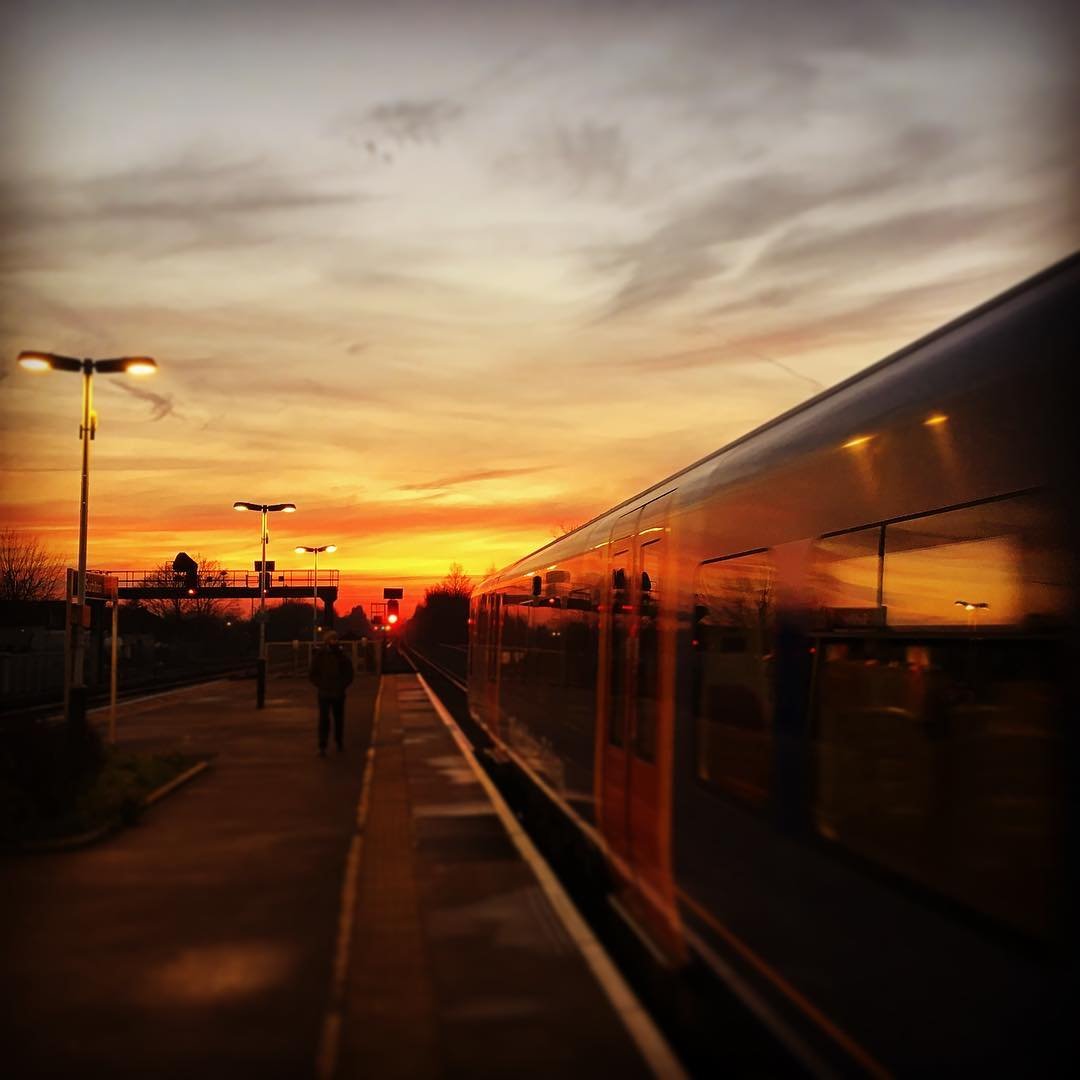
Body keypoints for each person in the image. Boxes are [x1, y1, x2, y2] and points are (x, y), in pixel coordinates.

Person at [308, 629, 354, 756]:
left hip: (338, 692)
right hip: (325, 692)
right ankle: (323, 745)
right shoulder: (321, 656)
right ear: (327, 641)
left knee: (338, 719)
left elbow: (349, 673)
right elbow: (313, 673)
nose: (334, 641)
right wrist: (321, 685)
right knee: (324, 720)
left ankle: (338, 742)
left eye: (335, 639)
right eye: (331, 639)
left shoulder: (342, 656)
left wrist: (342, 685)